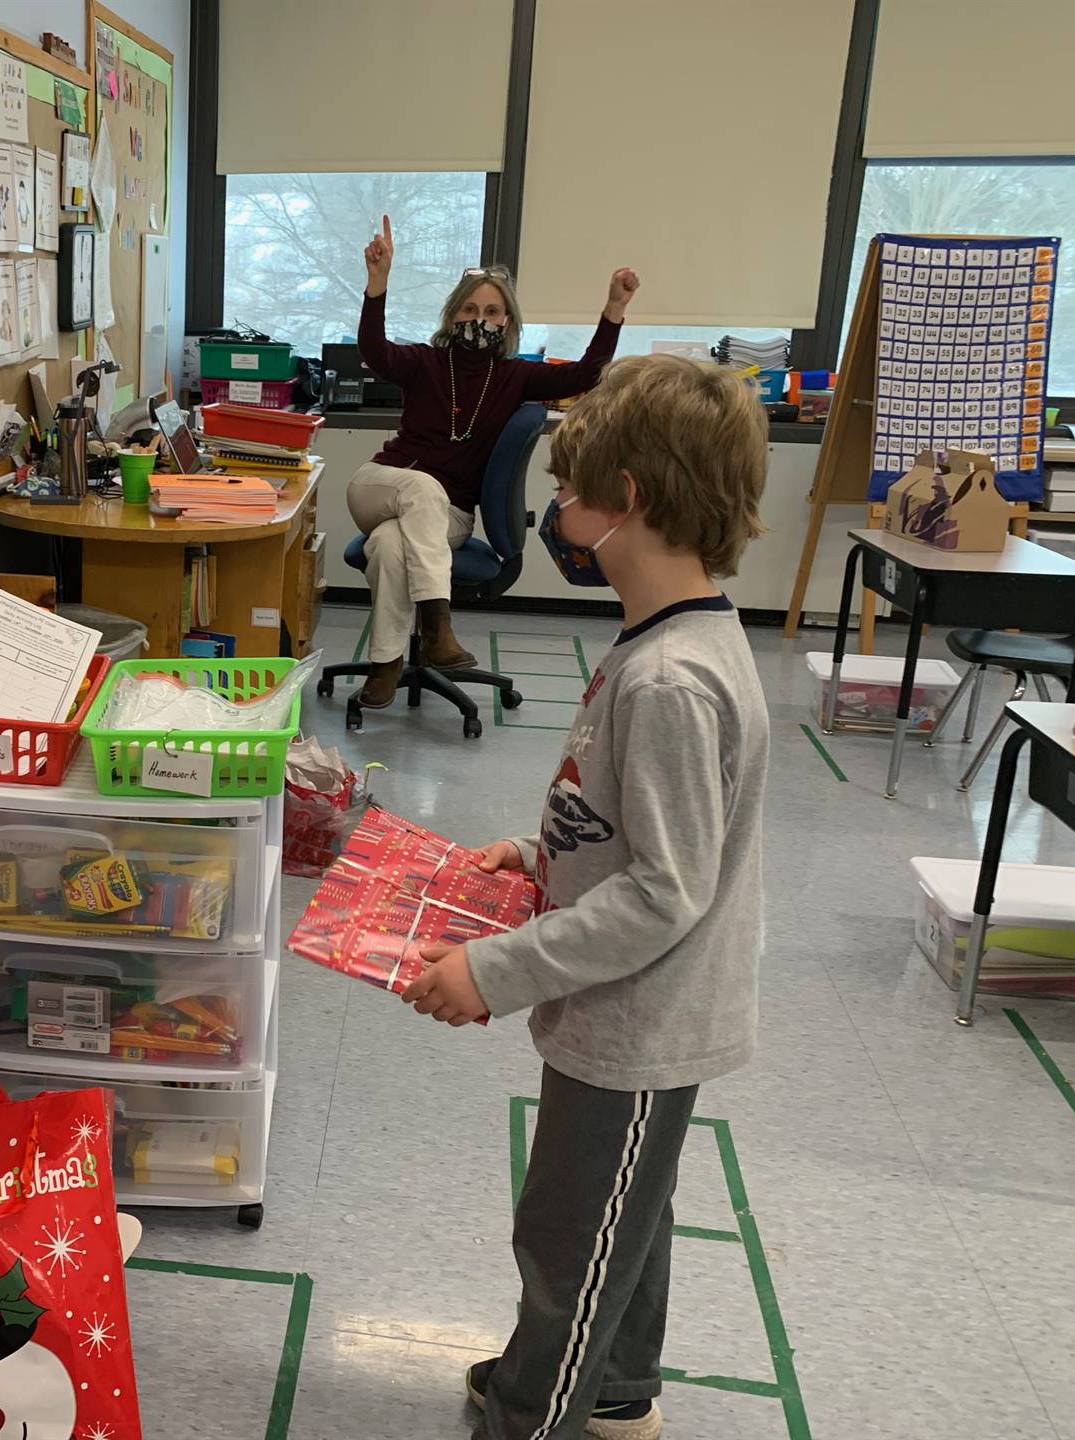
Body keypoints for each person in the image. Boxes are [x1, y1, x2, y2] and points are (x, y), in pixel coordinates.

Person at [400, 356, 772, 1440]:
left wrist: (493, 972)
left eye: (568, 494)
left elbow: (666, 891)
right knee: (627, 1215)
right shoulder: (672, 639)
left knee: (570, 1235)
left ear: (633, 503)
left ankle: (535, 1414)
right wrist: (539, 854)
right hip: (628, 1008)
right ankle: (614, 1389)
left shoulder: (669, 682)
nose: (556, 513)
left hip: (640, 1017)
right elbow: (638, 833)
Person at [350, 214, 639, 708]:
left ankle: (385, 664)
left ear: (506, 322)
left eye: (490, 310)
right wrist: (378, 285)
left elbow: (586, 373)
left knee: (388, 546)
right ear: (451, 316)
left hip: (449, 517)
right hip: (382, 486)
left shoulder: (515, 377)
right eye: (468, 308)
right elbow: (374, 351)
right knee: (421, 490)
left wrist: (614, 308)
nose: (478, 319)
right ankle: (438, 626)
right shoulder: (424, 362)